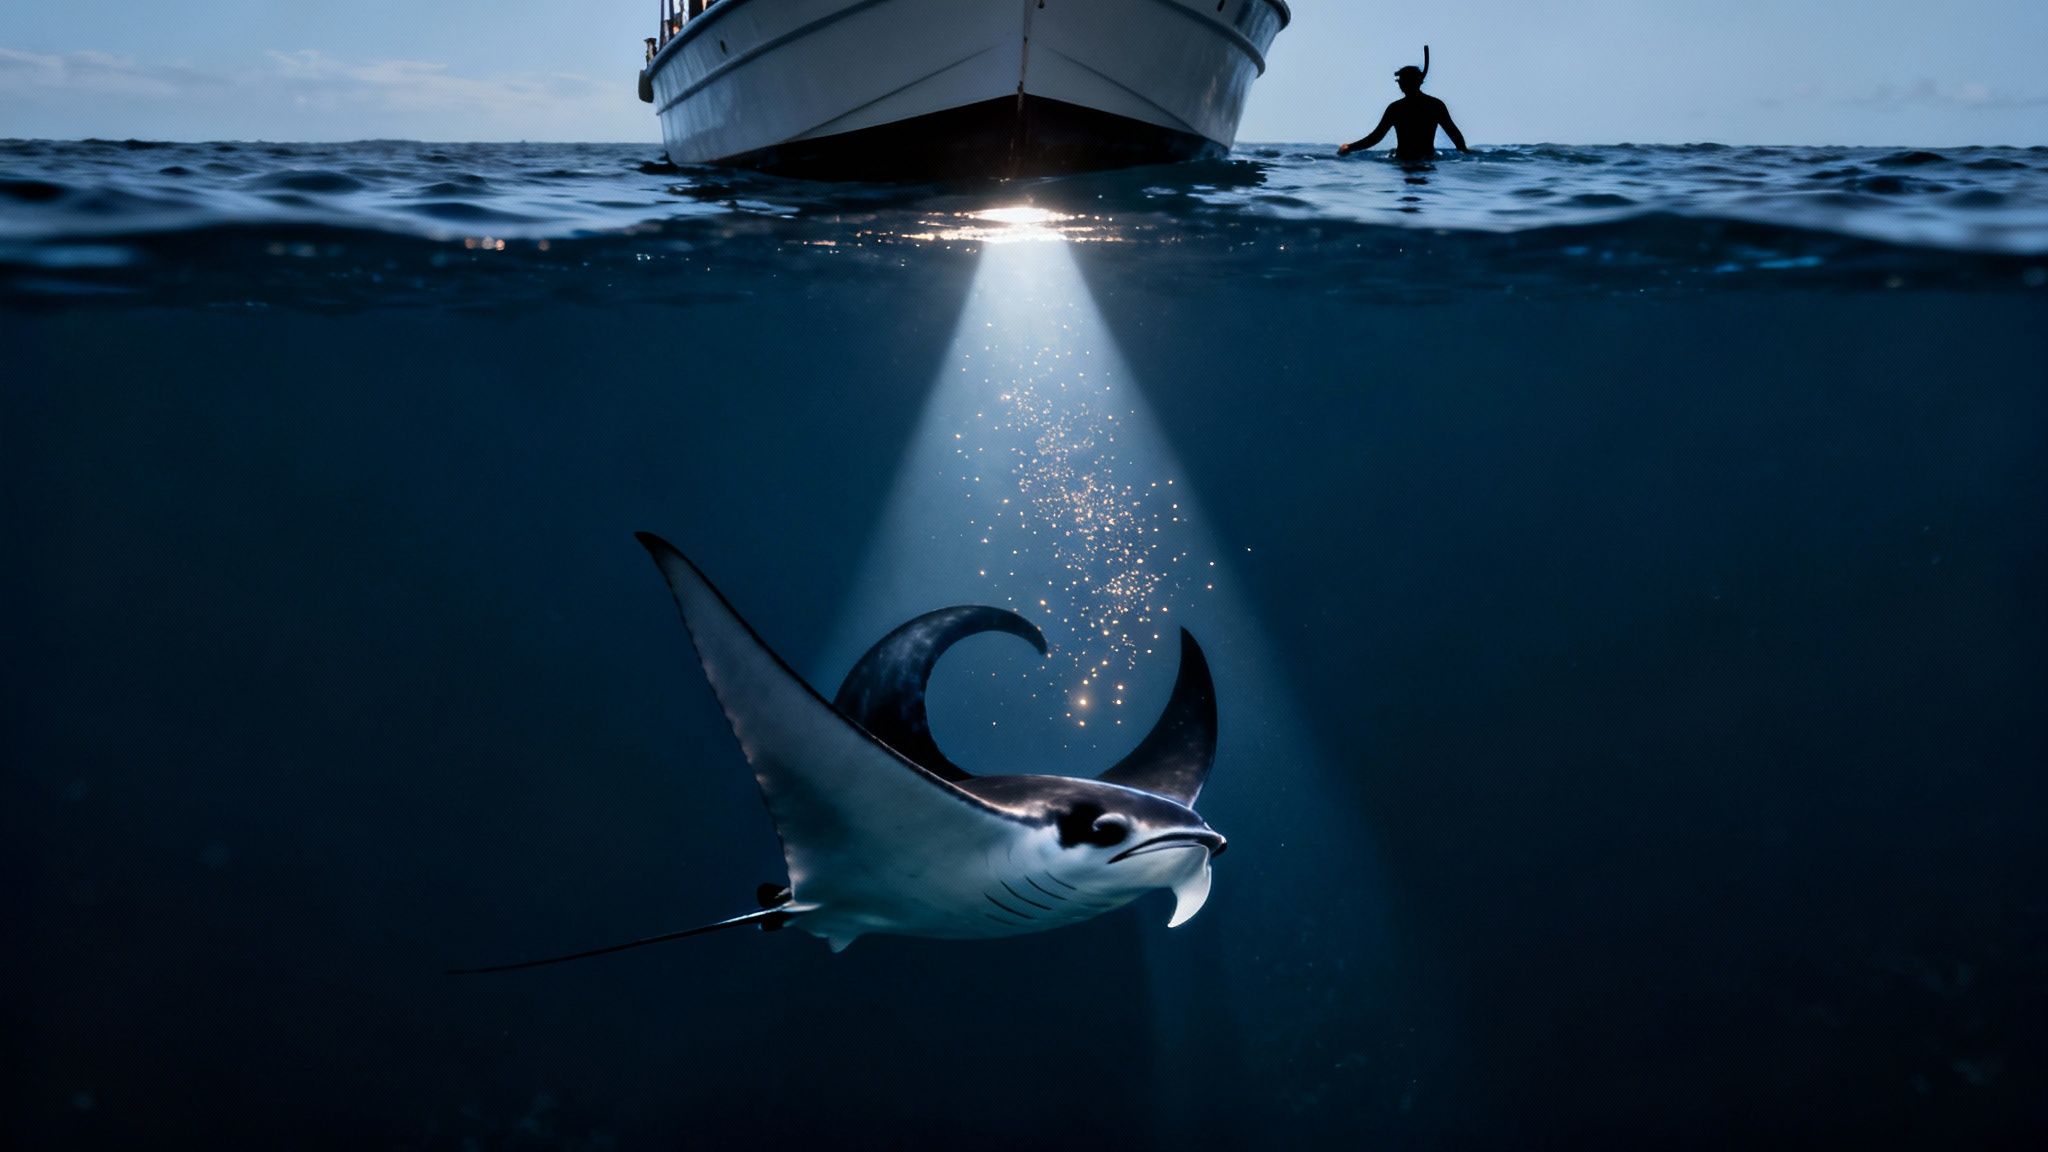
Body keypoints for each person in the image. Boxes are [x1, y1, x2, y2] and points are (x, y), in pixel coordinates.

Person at [1338, 49, 1468, 163]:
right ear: (1420, 81)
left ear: (1402, 84)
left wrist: (1349, 147)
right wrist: (1465, 154)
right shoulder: (1435, 105)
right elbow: (1455, 135)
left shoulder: (1396, 108)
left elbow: (1375, 137)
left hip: (1403, 159)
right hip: (1428, 159)